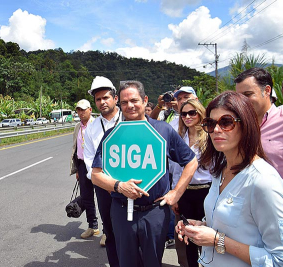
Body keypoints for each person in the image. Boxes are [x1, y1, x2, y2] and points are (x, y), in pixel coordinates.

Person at [177, 91, 283, 266]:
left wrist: (218, 240)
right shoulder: (220, 172)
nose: (216, 130)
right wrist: (201, 227)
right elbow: (236, 224)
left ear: (246, 125)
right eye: (210, 123)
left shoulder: (263, 181)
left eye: (226, 122)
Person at [91, 80, 198, 267]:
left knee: (153, 262)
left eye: (134, 100)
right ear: (119, 103)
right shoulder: (111, 135)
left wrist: (176, 192)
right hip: (121, 210)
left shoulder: (163, 130)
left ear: (145, 100)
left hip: (155, 212)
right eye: (124, 103)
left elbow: (191, 161)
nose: (129, 106)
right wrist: (119, 186)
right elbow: (96, 174)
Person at [235, 68, 283, 261]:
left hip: (282, 218)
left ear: (267, 91)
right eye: (239, 96)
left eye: (248, 94)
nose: (243, 102)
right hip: (244, 216)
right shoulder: (238, 127)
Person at [83, 76, 122, 266]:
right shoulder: (91, 128)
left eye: (106, 97)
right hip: (103, 188)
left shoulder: (129, 119)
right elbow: (89, 160)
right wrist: (103, 182)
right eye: (98, 99)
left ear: (115, 98)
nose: (102, 102)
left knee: (132, 228)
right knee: (110, 228)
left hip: (131, 184)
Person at [175, 99, 211, 267]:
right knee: (188, 236)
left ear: (200, 114)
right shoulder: (179, 138)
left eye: (192, 113)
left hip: (206, 191)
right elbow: (174, 169)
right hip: (185, 192)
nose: (187, 117)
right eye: (183, 114)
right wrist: (175, 194)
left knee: (204, 236)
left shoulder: (209, 137)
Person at [70, 99, 99, 238]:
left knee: (103, 197)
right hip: (82, 165)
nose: (81, 112)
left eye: (83, 109)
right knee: (87, 197)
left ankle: (108, 231)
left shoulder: (97, 125)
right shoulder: (77, 127)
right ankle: (92, 226)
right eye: (78, 110)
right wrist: (76, 169)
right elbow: (75, 148)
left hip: (96, 165)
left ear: (90, 110)